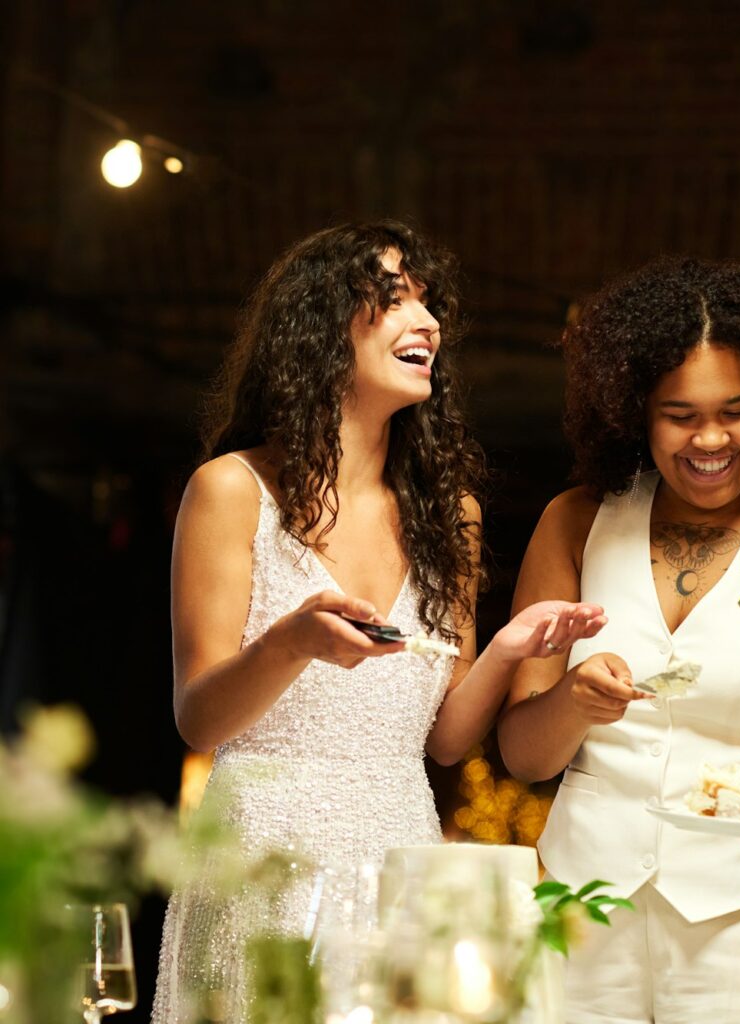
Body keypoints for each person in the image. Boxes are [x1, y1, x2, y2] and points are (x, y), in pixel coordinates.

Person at [151, 221, 605, 1023]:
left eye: (430, 306)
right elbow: (199, 717)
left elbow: (445, 740)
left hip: (403, 853)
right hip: (264, 857)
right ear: (321, 328)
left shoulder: (449, 516)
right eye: (395, 300)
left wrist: (505, 649)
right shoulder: (230, 491)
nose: (427, 324)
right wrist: (294, 642)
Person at [498, 255, 740, 1024]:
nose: (709, 438)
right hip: (580, 914)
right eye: (679, 415)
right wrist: (575, 704)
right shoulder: (575, 522)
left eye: (736, 410)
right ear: (634, 412)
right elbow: (522, 755)